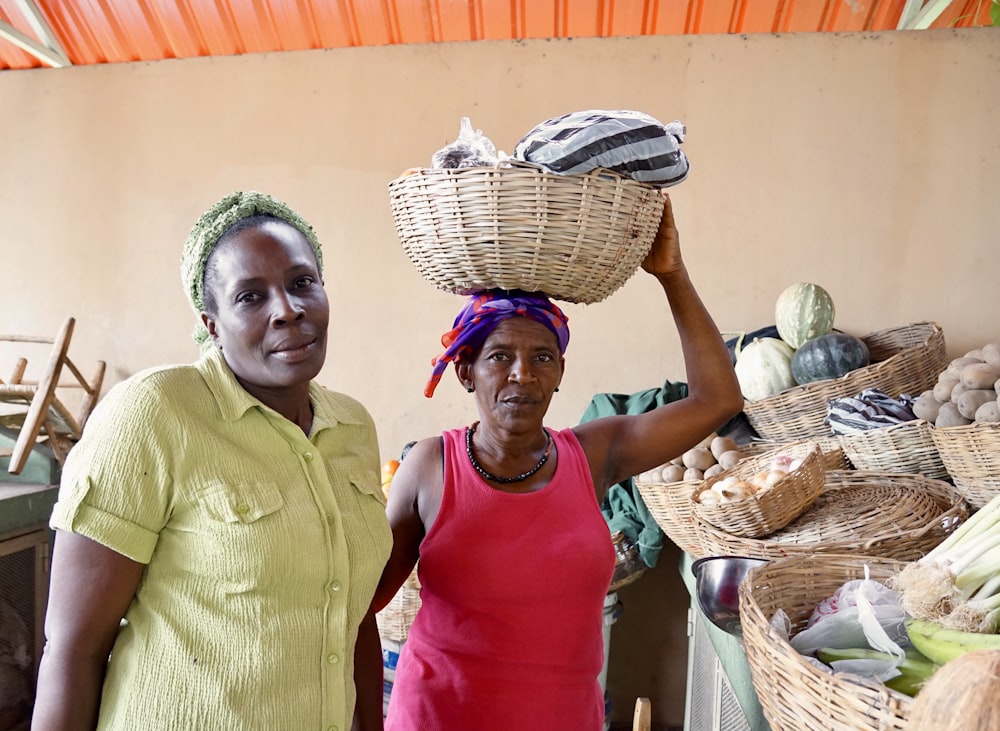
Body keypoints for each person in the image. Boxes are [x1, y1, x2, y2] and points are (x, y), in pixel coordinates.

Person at [372, 193, 744, 730]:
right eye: (500, 356)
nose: (522, 374)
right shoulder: (431, 467)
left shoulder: (594, 455)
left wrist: (672, 275)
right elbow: (363, 601)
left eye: (542, 357)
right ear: (466, 372)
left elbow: (717, 400)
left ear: (560, 372)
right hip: (438, 717)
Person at [31, 191, 391, 731]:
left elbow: (354, 616)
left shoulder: (353, 426)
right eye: (250, 296)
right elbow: (73, 649)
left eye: (301, 283)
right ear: (213, 324)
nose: (287, 310)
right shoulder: (155, 412)